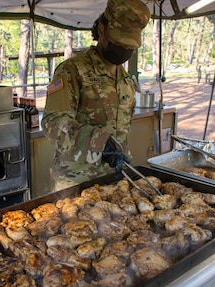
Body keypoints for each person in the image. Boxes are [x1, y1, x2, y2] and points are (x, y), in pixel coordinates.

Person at [41, 0, 151, 191]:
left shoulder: (125, 79)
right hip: (77, 182)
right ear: (102, 29)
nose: (124, 50)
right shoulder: (72, 70)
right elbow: (53, 123)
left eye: (130, 46)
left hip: (116, 179)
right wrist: (98, 141)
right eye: (119, 43)